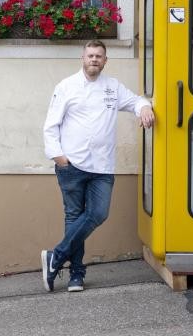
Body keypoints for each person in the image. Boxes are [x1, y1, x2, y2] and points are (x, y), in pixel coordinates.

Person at [41, 40, 155, 292]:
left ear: (105, 61)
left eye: (99, 56)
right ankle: (76, 276)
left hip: (102, 167)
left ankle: (56, 257)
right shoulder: (66, 87)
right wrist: (59, 157)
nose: (94, 59)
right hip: (72, 165)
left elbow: (135, 101)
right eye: (90, 55)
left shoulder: (112, 87)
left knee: (98, 214)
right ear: (82, 58)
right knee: (74, 218)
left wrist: (145, 107)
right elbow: (51, 125)